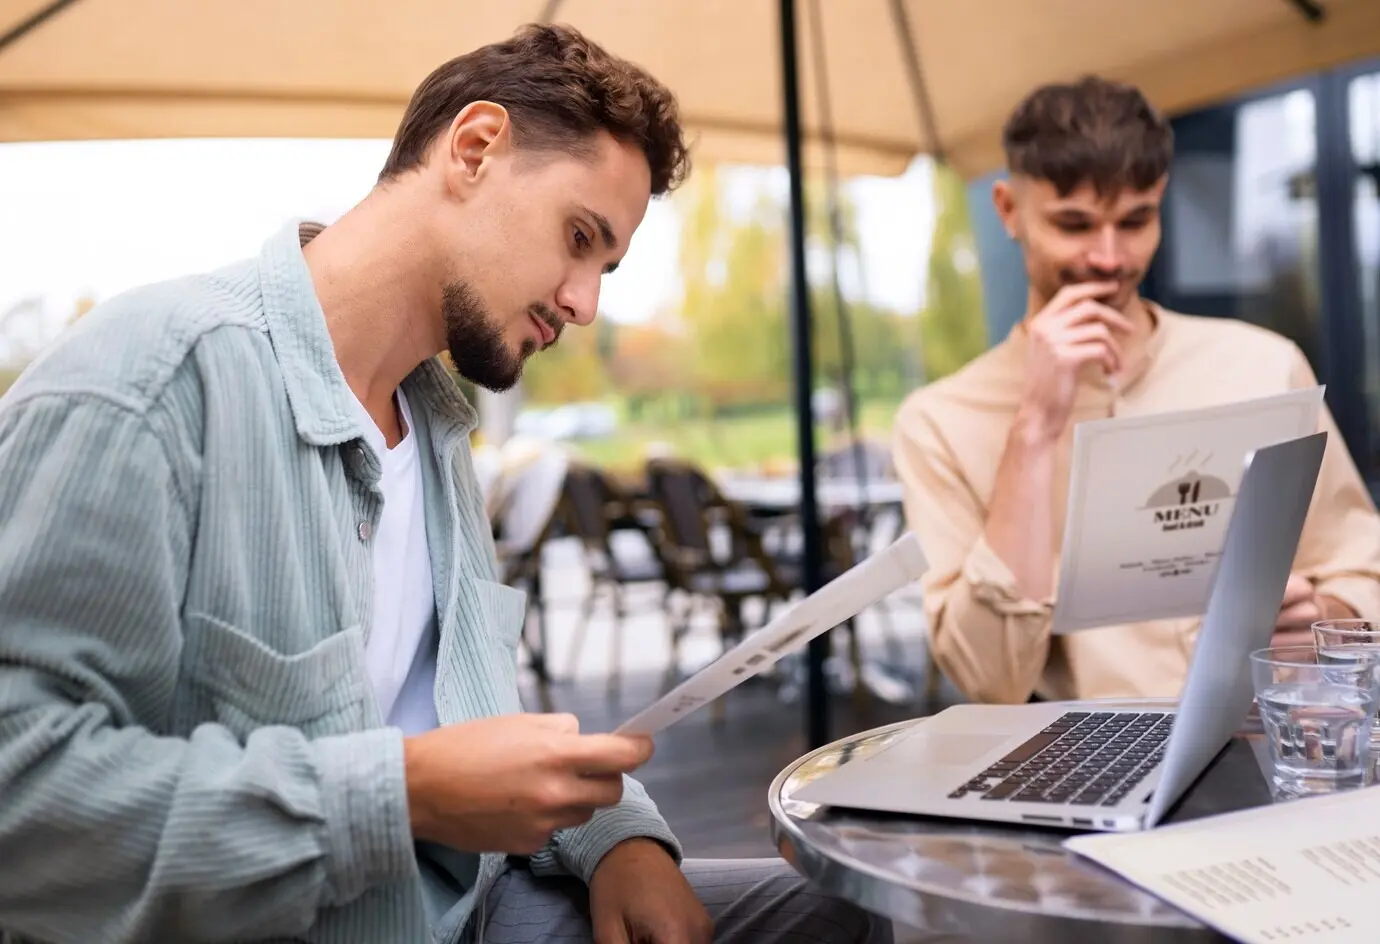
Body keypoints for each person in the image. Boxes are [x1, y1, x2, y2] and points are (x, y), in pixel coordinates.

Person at [0, 23, 890, 944]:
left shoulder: (434, 425)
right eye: (580, 237)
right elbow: (18, 804)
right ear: (474, 148)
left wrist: (619, 839)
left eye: (607, 267)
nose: (586, 304)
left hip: (474, 903)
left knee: (834, 907)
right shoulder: (151, 383)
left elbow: (474, 720)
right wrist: (403, 792)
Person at [892, 75, 1380, 707]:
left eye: (1136, 220)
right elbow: (990, 679)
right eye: (1074, 224)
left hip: (1273, 747)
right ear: (1009, 211)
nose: (1108, 256)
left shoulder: (1264, 365)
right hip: (1073, 769)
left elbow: (1362, 562)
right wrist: (1036, 426)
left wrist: (1320, 613)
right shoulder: (939, 423)